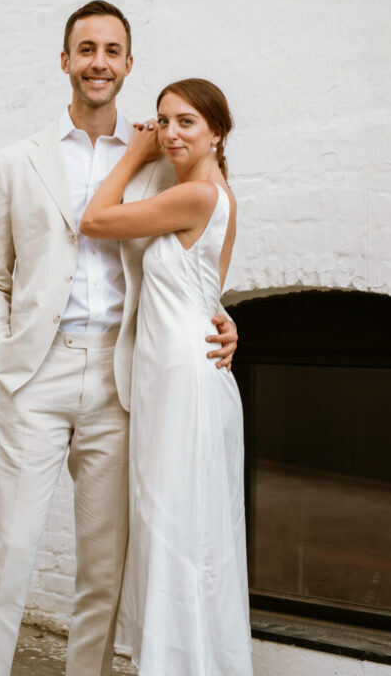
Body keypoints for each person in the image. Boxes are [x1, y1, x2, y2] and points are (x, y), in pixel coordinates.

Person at [0, 3, 239, 676]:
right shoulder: (14, 162)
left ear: (127, 65)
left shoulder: (156, 165)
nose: (98, 62)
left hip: (122, 381)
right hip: (37, 375)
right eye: (85, 49)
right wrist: (0, 357)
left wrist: (222, 317)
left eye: (112, 51)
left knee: (102, 569)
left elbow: (194, 252)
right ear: (65, 61)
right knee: (10, 551)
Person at [80, 77, 252, 676]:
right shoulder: (213, 194)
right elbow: (207, 294)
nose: (172, 133)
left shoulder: (199, 195)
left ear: (217, 133)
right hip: (180, 369)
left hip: (183, 378)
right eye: (165, 121)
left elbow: (95, 220)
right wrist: (228, 322)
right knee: (185, 526)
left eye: (187, 123)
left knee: (179, 529)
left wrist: (134, 153)